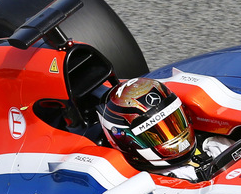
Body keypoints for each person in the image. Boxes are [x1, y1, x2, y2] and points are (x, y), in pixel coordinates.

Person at [98, 78, 232, 181]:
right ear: (125, 140)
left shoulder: (215, 144)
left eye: (174, 121)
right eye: (153, 133)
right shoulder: (148, 183)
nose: (172, 135)